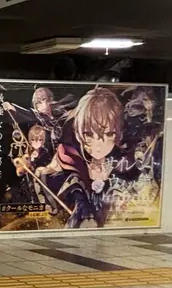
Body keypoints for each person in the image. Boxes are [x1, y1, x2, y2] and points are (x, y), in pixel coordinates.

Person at [37, 87, 136, 228]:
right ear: (78, 133)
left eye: (109, 134)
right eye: (88, 134)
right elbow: (46, 176)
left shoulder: (124, 161)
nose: (98, 145)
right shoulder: (69, 155)